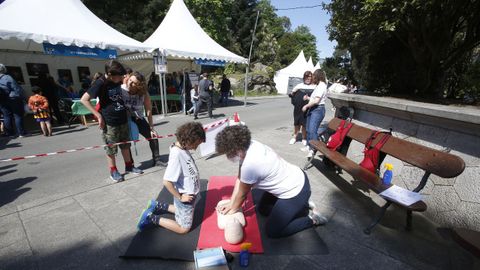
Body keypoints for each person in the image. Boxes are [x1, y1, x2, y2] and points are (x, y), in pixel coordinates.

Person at [215, 125, 327, 238]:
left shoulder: (250, 164)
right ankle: (301, 205)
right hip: (294, 179)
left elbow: (242, 194)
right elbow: (240, 178)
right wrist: (231, 203)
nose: (227, 156)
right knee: (263, 210)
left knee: (273, 231)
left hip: (295, 191)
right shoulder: (249, 145)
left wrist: (232, 210)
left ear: (237, 150)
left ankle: (312, 219)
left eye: (228, 153)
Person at [137, 122, 206, 234]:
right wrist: (180, 197)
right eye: (196, 144)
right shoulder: (177, 154)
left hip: (188, 196)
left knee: (179, 210)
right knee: (183, 229)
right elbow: (167, 181)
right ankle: (151, 217)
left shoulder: (183, 148)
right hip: (185, 197)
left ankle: (157, 205)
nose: (196, 148)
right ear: (189, 140)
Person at [80, 60, 143, 182]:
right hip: (109, 122)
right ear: (109, 73)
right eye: (118, 76)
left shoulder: (118, 80)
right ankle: (113, 170)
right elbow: (84, 100)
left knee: (125, 145)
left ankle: (129, 166)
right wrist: (98, 116)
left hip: (122, 119)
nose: (120, 78)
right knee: (111, 148)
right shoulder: (100, 83)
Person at [121, 71, 167, 167]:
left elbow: (148, 110)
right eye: (130, 80)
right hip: (125, 120)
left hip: (138, 118)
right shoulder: (121, 90)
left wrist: (151, 128)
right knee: (127, 142)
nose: (130, 83)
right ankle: (130, 165)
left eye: (134, 83)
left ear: (139, 86)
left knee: (153, 136)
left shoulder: (143, 93)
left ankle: (157, 159)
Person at [302, 69, 328, 158]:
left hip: (317, 110)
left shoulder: (322, 86)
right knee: (309, 129)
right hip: (314, 109)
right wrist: (308, 98)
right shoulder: (319, 86)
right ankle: (309, 146)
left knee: (312, 130)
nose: (312, 77)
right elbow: (314, 99)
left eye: (313, 76)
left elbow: (317, 101)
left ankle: (313, 148)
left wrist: (306, 106)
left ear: (317, 76)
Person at [289, 71, 315, 146]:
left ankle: (304, 138)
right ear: (304, 78)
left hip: (308, 108)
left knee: (304, 124)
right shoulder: (299, 86)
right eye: (306, 77)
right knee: (296, 123)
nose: (308, 79)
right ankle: (294, 137)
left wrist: (308, 99)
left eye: (309, 77)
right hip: (298, 108)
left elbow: (316, 99)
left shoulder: (314, 87)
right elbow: (292, 94)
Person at [0, 64, 27, 138]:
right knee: (17, 115)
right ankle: (21, 133)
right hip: (13, 98)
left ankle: (10, 133)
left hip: (2, 100)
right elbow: (16, 88)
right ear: (3, 69)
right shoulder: (7, 77)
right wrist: (24, 98)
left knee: (6, 116)